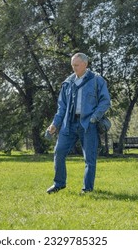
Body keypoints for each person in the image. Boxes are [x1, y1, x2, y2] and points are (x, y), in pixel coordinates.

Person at [46, 52, 111, 194]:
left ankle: (87, 189)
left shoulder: (97, 80)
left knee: (89, 158)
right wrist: (54, 124)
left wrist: (94, 117)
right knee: (59, 151)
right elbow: (61, 107)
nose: (73, 68)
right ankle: (59, 183)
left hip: (88, 124)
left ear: (85, 64)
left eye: (76, 65)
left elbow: (105, 101)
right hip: (68, 124)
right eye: (72, 65)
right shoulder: (67, 83)